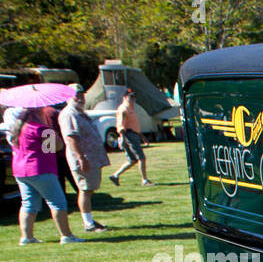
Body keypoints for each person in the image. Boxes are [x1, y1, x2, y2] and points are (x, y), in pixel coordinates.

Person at [7, 106, 84, 245]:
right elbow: (54, 148)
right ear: (37, 113)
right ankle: (66, 235)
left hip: (20, 170)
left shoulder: (16, 129)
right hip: (40, 169)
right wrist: (54, 135)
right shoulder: (40, 129)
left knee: (28, 204)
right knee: (57, 202)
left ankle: (27, 237)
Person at [58, 84, 110, 232]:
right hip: (83, 158)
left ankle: (90, 220)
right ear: (68, 97)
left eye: (82, 94)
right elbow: (71, 137)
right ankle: (88, 224)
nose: (80, 98)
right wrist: (80, 157)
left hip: (91, 157)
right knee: (85, 190)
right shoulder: (69, 114)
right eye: (76, 95)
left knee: (89, 189)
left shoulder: (79, 112)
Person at [108, 89, 153, 186]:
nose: (133, 98)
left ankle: (115, 175)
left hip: (133, 134)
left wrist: (142, 137)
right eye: (130, 96)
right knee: (141, 158)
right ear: (124, 97)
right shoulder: (124, 109)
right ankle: (144, 180)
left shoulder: (131, 108)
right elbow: (121, 125)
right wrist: (123, 138)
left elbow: (134, 125)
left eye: (133, 96)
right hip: (129, 135)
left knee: (132, 160)